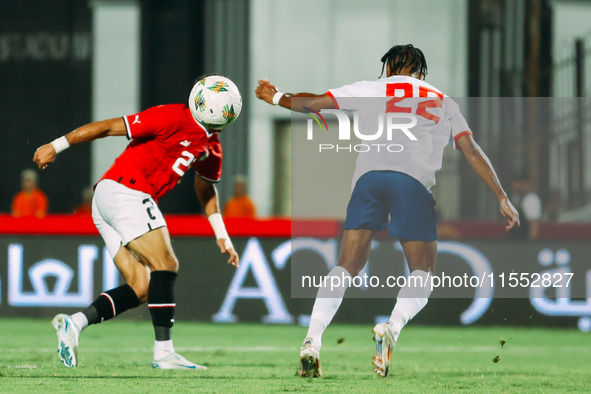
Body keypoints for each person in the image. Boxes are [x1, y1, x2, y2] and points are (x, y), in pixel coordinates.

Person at [256, 44, 519, 378]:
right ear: (421, 72)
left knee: (346, 265)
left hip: (369, 181)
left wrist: (277, 96)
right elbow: (471, 149)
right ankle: (391, 328)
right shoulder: (443, 100)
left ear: (389, 68)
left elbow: (312, 103)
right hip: (411, 184)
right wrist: (501, 196)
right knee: (422, 270)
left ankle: (312, 339)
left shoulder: (369, 89)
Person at [33, 75, 240, 370]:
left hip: (110, 198)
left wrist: (222, 234)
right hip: (125, 190)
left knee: (141, 287)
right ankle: (164, 353)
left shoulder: (211, 146)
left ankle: (74, 323)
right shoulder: (171, 115)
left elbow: (205, 188)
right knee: (166, 264)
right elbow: (107, 127)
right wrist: (57, 145)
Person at [508, 175, 542, 240]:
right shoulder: (516, 199)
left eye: (518, 183)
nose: (516, 186)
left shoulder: (531, 200)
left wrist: (529, 246)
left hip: (523, 242)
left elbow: (533, 227)